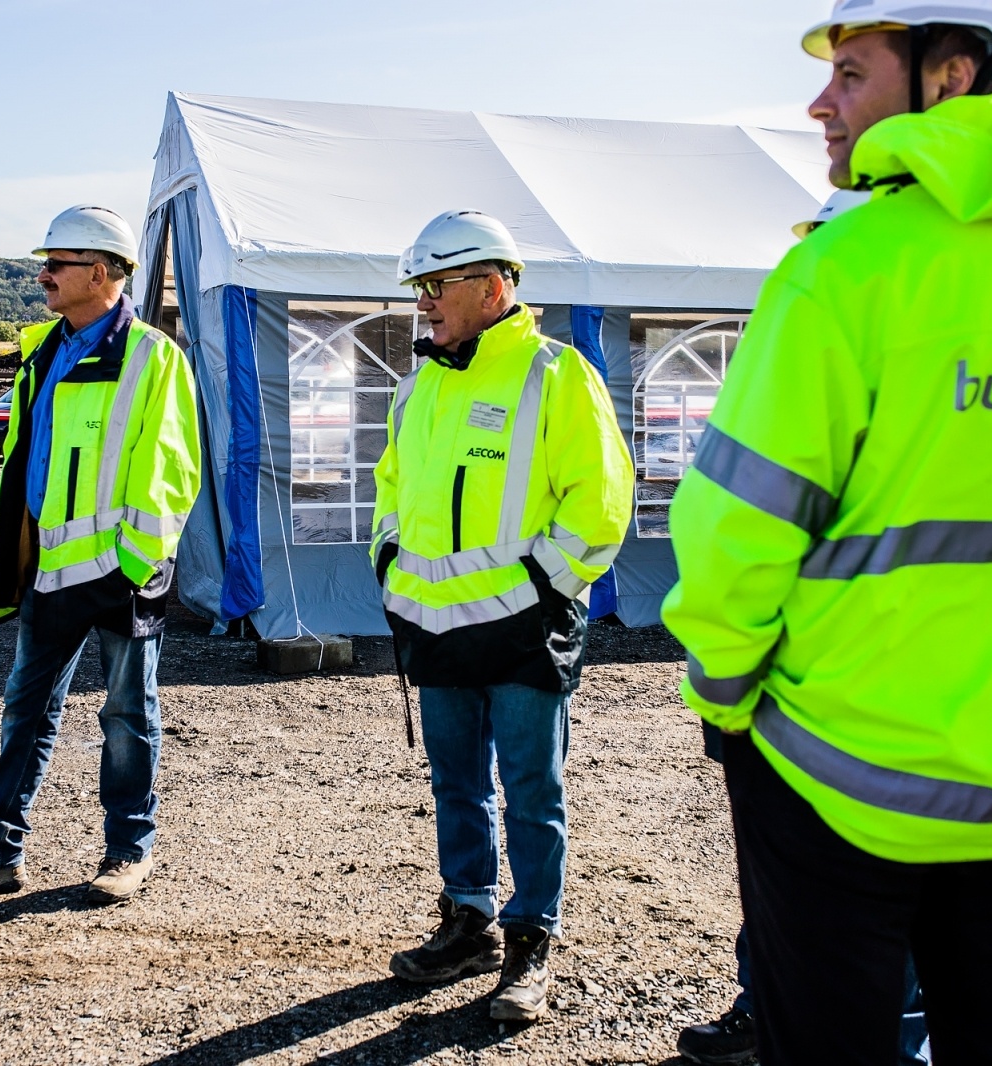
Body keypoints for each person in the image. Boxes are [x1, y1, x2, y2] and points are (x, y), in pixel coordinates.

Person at [661, 0, 992, 1062]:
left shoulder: (843, 268)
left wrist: (724, 695)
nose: (819, 103)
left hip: (830, 781)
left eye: (850, 73)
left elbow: (734, 532)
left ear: (948, 75)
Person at [677, 190, 930, 1066]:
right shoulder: (805, 351)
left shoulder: (919, 369)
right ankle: (772, 1005)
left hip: (876, 687)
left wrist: (722, 687)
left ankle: (892, 1035)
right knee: (788, 888)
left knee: (894, 891)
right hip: (800, 685)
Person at [373, 210, 632, 1022]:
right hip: (435, 628)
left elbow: (600, 505)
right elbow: (389, 486)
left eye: (435, 286)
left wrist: (538, 592)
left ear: (491, 288)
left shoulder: (556, 374)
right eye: (419, 288)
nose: (423, 303)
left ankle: (532, 942)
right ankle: (470, 920)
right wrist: (388, 564)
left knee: (530, 791)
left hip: (524, 631)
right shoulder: (419, 386)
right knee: (455, 784)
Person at [0, 205, 201, 902]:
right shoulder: (43, 351)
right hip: (49, 573)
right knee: (26, 712)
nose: (42, 275)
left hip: (122, 576)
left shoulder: (153, 359)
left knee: (129, 715)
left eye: (55, 264)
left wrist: (136, 565)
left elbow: (171, 473)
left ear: (99, 272)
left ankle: (129, 851)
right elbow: (24, 463)